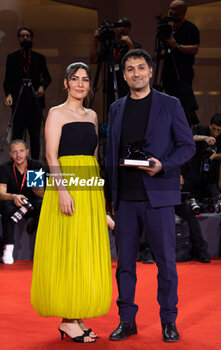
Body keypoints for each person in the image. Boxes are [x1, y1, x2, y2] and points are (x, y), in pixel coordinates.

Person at [105, 49, 195, 342]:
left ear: (150, 71)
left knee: (166, 264)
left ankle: (169, 319)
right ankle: (127, 320)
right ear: (124, 75)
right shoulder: (117, 107)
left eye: (141, 67)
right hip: (126, 200)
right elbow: (111, 152)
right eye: (130, 69)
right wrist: (110, 197)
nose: (136, 73)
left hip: (159, 196)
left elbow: (187, 146)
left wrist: (163, 165)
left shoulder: (170, 104)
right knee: (125, 266)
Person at [30, 62, 112, 343]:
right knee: (68, 248)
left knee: (83, 249)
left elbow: (94, 159)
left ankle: (75, 316)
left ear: (90, 85)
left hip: (88, 188)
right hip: (65, 185)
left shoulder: (92, 116)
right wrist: (63, 190)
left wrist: (99, 199)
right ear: (65, 83)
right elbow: (51, 156)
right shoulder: (55, 113)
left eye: (85, 80)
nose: (80, 84)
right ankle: (67, 320)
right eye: (74, 79)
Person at [3, 27, 51, 160]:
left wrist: (42, 87)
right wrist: (8, 94)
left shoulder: (39, 57)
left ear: (31, 38)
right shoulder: (12, 58)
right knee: (17, 136)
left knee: (35, 136)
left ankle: (35, 169)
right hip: (19, 103)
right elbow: (7, 81)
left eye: (27, 36)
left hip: (35, 102)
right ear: (19, 38)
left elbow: (47, 77)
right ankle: (16, 167)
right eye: (22, 36)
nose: (25, 38)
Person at [0, 139, 43, 264]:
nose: (18, 155)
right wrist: (13, 196)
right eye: (14, 152)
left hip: (32, 202)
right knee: (6, 206)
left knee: (41, 204)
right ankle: (8, 248)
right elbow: (1, 193)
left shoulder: (35, 165)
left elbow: (39, 193)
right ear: (10, 154)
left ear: (27, 152)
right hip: (14, 203)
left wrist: (38, 189)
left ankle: (40, 249)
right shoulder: (4, 167)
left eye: (21, 151)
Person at [161, 0, 200, 125]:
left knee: (183, 101)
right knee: (169, 99)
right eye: (170, 8)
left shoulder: (191, 28)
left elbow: (195, 49)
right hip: (168, 71)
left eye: (173, 9)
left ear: (181, 11)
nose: (170, 11)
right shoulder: (169, 28)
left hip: (183, 71)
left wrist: (176, 46)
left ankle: (185, 125)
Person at [90, 17, 141, 107]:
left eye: (124, 26)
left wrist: (130, 45)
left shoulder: (135, 45)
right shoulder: (110, 47)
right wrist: (96, 41)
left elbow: (137, 63)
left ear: (128, 29)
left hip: (128, 87)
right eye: (118, 26)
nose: (121, 29)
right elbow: (93, 60)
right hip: (112, 87)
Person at [182, 113, 221, 201]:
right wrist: (204, 138)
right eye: (213, 129)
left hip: (212, 169)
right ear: (210, 125)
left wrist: (216, 155)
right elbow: (189, 138)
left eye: (219, 130)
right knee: (192, 188)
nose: (215, 132)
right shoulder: (201, 129)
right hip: (195, 164)